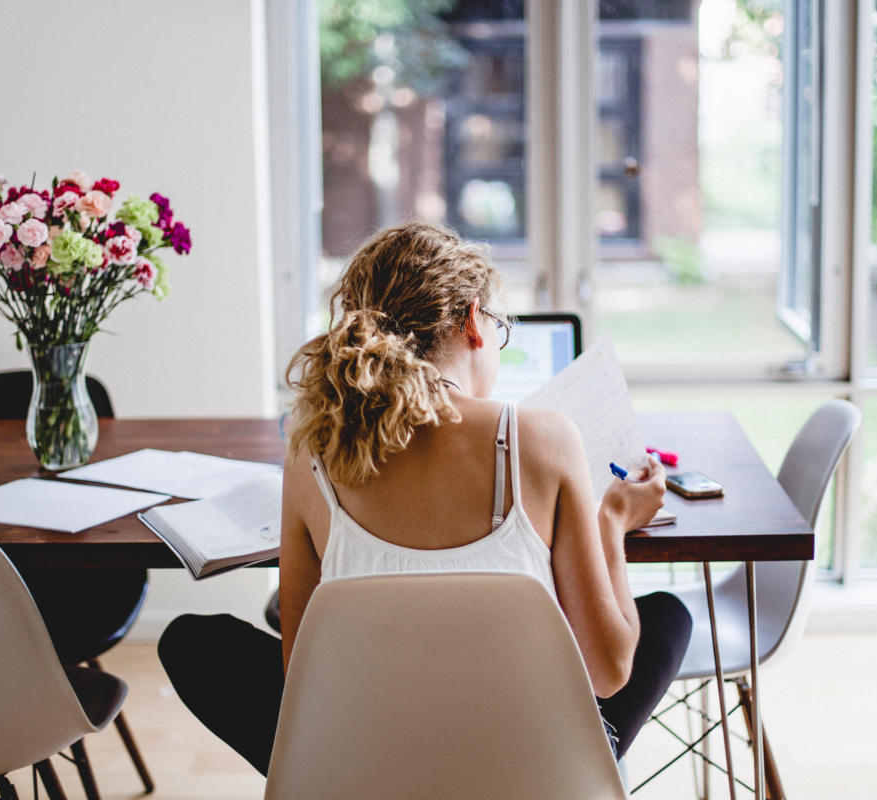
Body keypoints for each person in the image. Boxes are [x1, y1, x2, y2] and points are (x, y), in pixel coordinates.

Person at [157, 221, 692, 774]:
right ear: (472, 323)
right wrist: (611, 520)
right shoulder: (546, 437)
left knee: (193, 640)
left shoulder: (311, 453)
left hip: (366, 767)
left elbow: (302, 675)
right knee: (669, 616)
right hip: (527, 769)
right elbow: (607, 672)